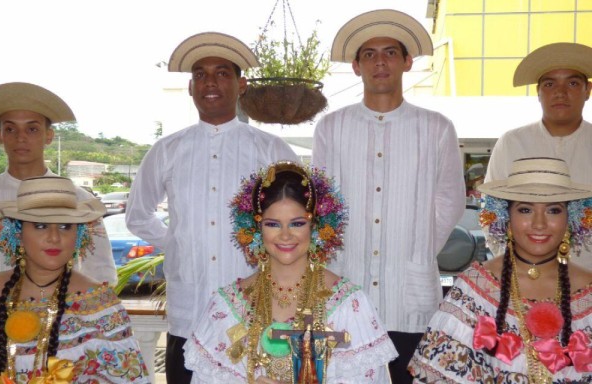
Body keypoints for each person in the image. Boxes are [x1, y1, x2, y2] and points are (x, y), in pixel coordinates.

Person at [125, 32, 298, 382]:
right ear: (191, 88)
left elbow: (301, 220)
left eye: (222, 73)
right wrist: (177, 241)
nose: (210, 82)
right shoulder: (167, 150)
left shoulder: (270, 149)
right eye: (200, 75)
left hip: (257, 309)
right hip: (189, 308)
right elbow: (137, 214)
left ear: (241, 84)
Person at [312, 9, 465, 383]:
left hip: (409, 295)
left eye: (390, 52)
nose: (380, 61)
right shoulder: (332, 127)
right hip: (346, 287)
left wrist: (419, 248)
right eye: (369, 54)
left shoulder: (435, 128)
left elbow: (450, 200)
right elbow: (320, 202)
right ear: (356, 66)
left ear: (407, 62)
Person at [183, 161, 397, 383]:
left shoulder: (348, 305)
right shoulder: (225, 308)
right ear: (255, 228)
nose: (285, 236)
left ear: (315, 226)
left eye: (297, 224)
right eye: (273, 224)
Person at [409, 157, 592, 383]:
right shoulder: (474, 288)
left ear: (570, 217)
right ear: (505, 217)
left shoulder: (589, 288)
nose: (539, 224)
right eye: (525, 209)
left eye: (553, 210)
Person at [0, 176, 149, 383]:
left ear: (79, 235)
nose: (54, 237)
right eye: (40, 226)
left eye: (65, 226)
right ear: (18, 234)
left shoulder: (100, 305)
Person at [0, 82, 117, 284]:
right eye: (10, 129)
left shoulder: (80, 201)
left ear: (48, 135)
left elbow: (101, 272)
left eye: (32, 129)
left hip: (63, 313)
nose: (21, 137)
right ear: (0, 135)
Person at [485, 42, 592, 268]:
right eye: (550, 83)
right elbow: (492, 215)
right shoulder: (512, 143)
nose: (560, 92)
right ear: (538, 92)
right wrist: (518, 269)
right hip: (522, 280)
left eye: (572, 83)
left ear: (588, 91)